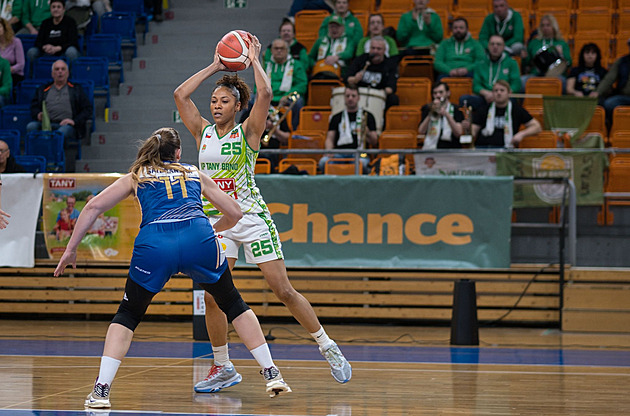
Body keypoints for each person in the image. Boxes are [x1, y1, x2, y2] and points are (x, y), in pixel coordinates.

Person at [54, 128, 292, 409]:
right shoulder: (193, 172)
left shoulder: (138, 175)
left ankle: (101, 391)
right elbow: (236, 213)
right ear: (178, 153)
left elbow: (93, 207)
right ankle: (271, 373)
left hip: (156, 244)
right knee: (233, 303)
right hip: (198, 237)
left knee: (128, 314)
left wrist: (70, 249)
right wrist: (212, 232)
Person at [174, 32, 352, 393]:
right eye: (213, 100)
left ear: (237, 105)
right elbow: (180, 95)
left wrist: (254, 61)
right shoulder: (202, 133)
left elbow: (267, 95)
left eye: (224, 100)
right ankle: (222, 366)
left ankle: (327, 345)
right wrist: (215, 66)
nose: (216, 105)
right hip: (217, 222)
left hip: (251, 216)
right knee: (212, 295)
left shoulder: (248, 134)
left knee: (282, 289)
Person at [27, 59, 92, 171]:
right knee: (31, 127)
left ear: (67, 73)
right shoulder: (43, 90)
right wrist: (38, 114)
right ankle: (35, 164)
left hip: (67, 126)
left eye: (63, 69)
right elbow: (33, 107)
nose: (60, 72)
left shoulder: (76, 89)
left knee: (61, 133)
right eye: (57, 69)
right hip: (45, 124)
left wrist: (74, 121)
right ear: (52, 74)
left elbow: (88, 110)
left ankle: (56, 164)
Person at [319, 85, 378, 173]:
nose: (350, 98)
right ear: (344, 98)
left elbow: (374, 141)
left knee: (363, 164)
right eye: (347, 96)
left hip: (359, 153)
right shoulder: (336, 117)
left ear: (358, 98)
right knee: (323, 162)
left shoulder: (367, 116)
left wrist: (367, 132)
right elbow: (330, 138)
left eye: (353, 96)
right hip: (339, 153)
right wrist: (329, 151)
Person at [472, 80, 541, 148]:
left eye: (502, 90)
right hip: (483, 148)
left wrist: (521, 134)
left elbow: (537, 127)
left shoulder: (517, 110)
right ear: (492, 93)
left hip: (506, 149)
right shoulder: (483, 109)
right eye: (496, 91)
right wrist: (469, 130)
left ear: (509, 93)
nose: (498, 93)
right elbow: (474, 129)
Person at [460, 35, 521, 110]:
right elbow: (476, 85)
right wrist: (486, 93)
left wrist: (501, 94)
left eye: (498, 44)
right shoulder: (480, 63)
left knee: (513, 101)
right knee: (464, 100)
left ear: (503, 47)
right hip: (485, 97)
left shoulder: (512, 62)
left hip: (504, 97)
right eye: (492, 44)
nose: (495, 47)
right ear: (488, 46)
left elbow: (516, 84)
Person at [263, 38, 307, 130]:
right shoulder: (266, 65)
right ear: (271, 51)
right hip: (269, 96)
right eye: (276, 48)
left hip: (287, 97)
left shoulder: (296, 64)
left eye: (282, 48)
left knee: (298, 102)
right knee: (251, 101)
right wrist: (265, 95)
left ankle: (293, 131)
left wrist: (287, 95)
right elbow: (258, 85)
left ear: (287, 50)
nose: (279, 51)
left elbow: (302, 85)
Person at [346, 36, 399, 110]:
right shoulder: (361, 59)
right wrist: (355, 79)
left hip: (379, 95)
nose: (375, 51)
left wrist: (379, 93)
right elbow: (348, 78)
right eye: (373, 48)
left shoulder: (390, 64)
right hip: (359, 94)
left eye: (379, 49)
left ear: (384, 50)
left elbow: (391, 88)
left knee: (393, 98)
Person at [521, 14, 571, 87]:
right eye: (543, 25)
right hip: (536, 74)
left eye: (548, 25)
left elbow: (569, 63)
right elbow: (527, 64)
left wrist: (561, 54)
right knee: (522, 81)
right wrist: (524, 58)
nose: (545, 28)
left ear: (554, 27)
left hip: (556, 75)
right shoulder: (534, 43)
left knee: (563, 82)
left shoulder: (562, 43)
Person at [27, 0, 80, 67]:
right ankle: (33, 76)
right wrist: (44, 47)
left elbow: (73, 42)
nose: (56, 9)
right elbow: (38, 42)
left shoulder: (70, 22)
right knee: (31, 52)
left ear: (63, 9)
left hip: (63, 51)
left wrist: (58, 48)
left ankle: (71, 75)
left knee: (72, 52)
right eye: (53, 7)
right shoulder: (45, 23)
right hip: (47, 51)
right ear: (50, 9)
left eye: (58, 7)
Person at [418, 81, 466, 149]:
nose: (438, 95)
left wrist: (446, 114)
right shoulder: (427, 108)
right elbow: (421, 131)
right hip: (431, 147)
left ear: (448, 93)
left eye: (441, 92)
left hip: (452, 147)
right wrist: (431, 113)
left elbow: (458, 133)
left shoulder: (456, 109)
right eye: (435, 93)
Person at [595, 37, 630, 127]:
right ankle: (613, 127)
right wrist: (597, 92)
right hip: (624, 96)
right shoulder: (622, 61)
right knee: (609, 104)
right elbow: (609, 79)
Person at [309, 15, 356, 79]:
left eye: (337, 27)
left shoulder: (348, 40)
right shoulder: (320, 40)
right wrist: (315, 65)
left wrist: (337, 57)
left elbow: (349, 53)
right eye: (332, 27)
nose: (334, 29)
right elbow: (310, 57)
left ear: (343, 28)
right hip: (319, 71)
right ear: (328, 28)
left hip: (339, 72)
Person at [0, 17, 24, 85]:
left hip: (14, 74)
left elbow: (21, 64)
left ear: (5, 28)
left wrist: (7, 70)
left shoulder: (16, 42)